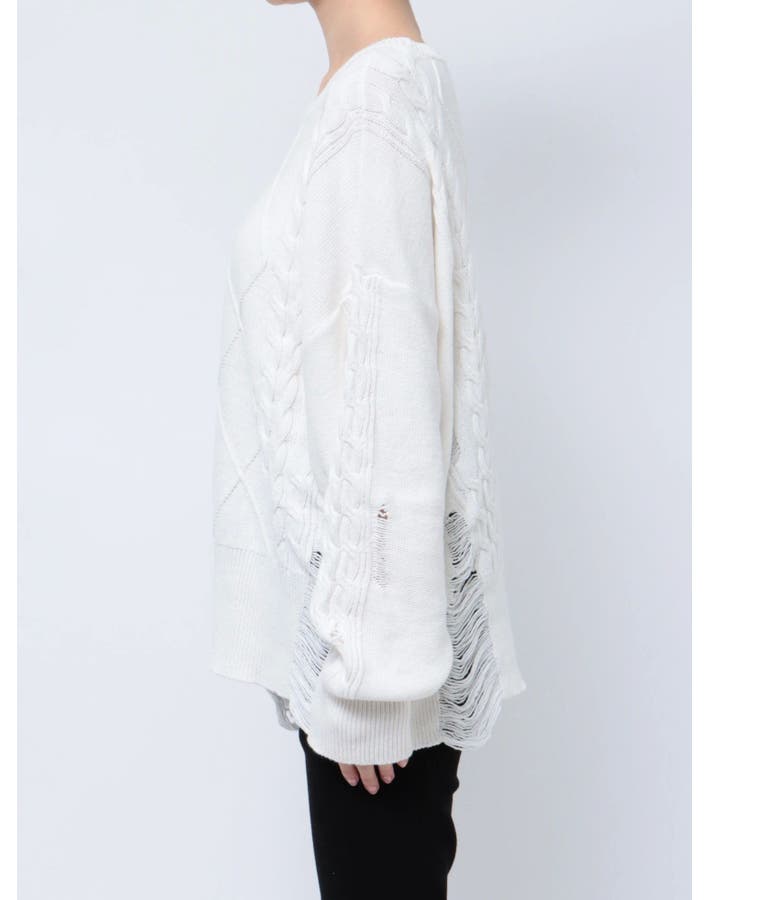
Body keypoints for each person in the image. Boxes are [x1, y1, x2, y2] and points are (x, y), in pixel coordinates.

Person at [211, 1, 526, 896]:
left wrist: (373, 689)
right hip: (357, 649)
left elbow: (388, 396)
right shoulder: (376, 87)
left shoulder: (374, 101)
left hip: (371, 678)